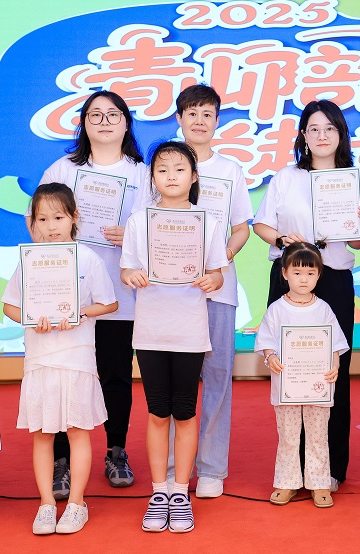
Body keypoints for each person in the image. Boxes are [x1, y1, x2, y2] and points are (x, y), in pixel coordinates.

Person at [253, 99, 360, 490]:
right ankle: (293, 469)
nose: (322, 135)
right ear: (303, 135)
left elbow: (359, 241)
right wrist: (283, 240)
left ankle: (329, 468)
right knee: (289, 367)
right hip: (289, 277)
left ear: (341, 135)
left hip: (333, 280)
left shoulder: (350, 179)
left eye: (330, 128)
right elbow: (262, 225)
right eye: (314, 129)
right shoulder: (286, 178)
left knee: (333, 369)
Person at [37, 90, 148, 496]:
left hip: (120, 293)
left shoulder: (142, 173)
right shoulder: (63, 169)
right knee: (64, 376)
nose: (104, 121)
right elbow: (37, 222)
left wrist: (133, 235)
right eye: (95, 114)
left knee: (116, 374)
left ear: (126, 123)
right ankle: (61, 460)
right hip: (66, 295)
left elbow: (157, 227)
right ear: (83, 123)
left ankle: (116, 450)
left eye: (113, 114)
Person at [120, 141, 227, 533]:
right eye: (162, 170)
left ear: (193, 177)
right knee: (156, 412)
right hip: (151, 331)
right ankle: (158, 491)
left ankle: (180, 491)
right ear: (153, 178)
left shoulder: (207, 222)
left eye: (179, 169)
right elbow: (126, 269)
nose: (170, 176)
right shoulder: (140, 221)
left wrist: (213, 280)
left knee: (184, 411)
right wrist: (131, 275)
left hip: (189, 331)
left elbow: (218, 273)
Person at [2, 183, 119, 534]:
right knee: (42, 434)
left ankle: (77, 503)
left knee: (78, 431)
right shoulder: (30, 260)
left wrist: (82, 313)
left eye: (58, 217)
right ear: (33, 223)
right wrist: (30, 320)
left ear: (74, 217)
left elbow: (110, 303)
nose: (51, 226)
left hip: (77, 357)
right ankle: (47, 504)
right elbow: (10, 305)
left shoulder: (88, 258)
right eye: (43, 219)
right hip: (40, 359)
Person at [166, 84, 253, 498]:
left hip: (218, 289)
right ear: (179, 118)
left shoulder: (230, 170)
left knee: (217, 377)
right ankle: (171, 467)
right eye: (192, 113)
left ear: (217, 121)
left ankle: (213, 468)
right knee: (172, 382)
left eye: (207, 114)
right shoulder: (163, 165)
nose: (199, 121)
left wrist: (221, 260)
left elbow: (242, 228)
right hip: (169, 293)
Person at [255, 242, 349, 508]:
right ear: (284, 273)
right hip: (287, 386)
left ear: (319, 275)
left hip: (318, 386)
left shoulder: (324, 309)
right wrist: (271, 357)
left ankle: (320, 483)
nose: (304, 279)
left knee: (318, 435)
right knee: (288, 436)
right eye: (297, 273)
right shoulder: (276, 309)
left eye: (310, 273)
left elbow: (335, 345)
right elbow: (266, 342)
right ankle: (286, 482)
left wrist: (335, 365)